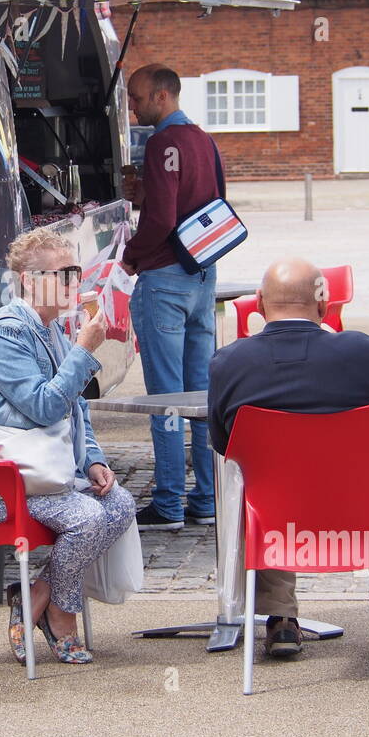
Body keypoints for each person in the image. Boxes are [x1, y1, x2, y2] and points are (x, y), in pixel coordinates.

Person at [207, 258, 369, 658]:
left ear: (258, 304)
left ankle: (280, 619)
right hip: (364, 514)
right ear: (323, 305)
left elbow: (223, 443)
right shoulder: (362, 353)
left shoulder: (229, 363)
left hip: (278, 520)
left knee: (263, 480)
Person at [0, 227, 136, 665]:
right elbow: (45, 407)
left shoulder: (50, 330)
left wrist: (93, 461)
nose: (75, 283)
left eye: (77, 273)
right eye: (63, 275)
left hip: (29, 474)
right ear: (30, 280)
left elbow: (76, 410)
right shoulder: (7, 333)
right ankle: (62, 613)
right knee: (86, 516)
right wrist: (85, 350)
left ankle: (37, 594)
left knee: (119, 504)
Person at [121, 63, 220, 531]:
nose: (132, 106)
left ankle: (167, 502)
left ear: (162, 96)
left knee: (166, 397)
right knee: (201, 393)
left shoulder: (162, 143)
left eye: (137, 98)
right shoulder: (204, 139)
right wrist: (143, 190)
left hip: (163, 277)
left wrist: (131, 255)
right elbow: (206, 202)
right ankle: (207, 496)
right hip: (204, 273)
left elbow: (161, 217)